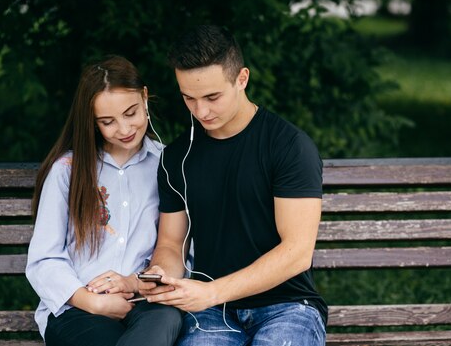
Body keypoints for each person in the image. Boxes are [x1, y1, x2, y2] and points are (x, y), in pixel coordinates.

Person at [139, 25, 327, 345]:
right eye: (189, 98)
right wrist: (161, 274)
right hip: (211, 311)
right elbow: (172, 244)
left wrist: (212, 291)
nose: (201, 111)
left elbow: (297, 252)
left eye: (212, 97)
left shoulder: (288, 146)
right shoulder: (177, 157)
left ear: (242, 79)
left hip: (286, 307)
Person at [26, 55, 182, 346]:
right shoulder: (68, 172)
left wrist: (139, 283)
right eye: (108, 122)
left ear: (145, 97)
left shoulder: (167, 166)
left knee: (167, 319)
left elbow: (180, 250)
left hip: (145, 303)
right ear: (92, 122)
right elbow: (44, 259)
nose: (124, 129)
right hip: (78, 308)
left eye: (131, 113)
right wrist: (92, 302)